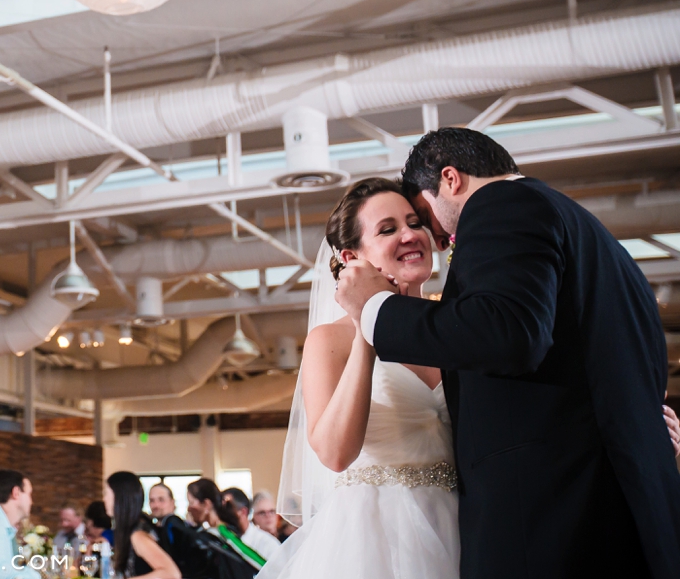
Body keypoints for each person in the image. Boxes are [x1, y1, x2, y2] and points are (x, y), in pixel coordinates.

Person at [271, 169, 680, 579]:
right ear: (351, 257)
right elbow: (334, 453)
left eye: (415, 223)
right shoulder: (330, 340)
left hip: (467, 528)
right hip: (376, 539)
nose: (411, 235)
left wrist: (638, 434)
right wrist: (369, 322)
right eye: (387, 229)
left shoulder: (452, 329)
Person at [104, 472, 179, 578]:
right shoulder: (136, 527)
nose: (104, 499)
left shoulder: (138, 535)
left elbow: (171, 574)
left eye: (107, 494)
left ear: (119, 497)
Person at [185, 479, 260, 575]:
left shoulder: (223, 532)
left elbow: (254, 560)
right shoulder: (212, 532)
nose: (189, 509)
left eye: (191, 503)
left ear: (207, 504)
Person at [220, 489, 277, 563]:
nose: (268, 516)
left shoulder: (268, 544)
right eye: (262, 513)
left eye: (228, 509)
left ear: (244, 511)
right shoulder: (223, 539)